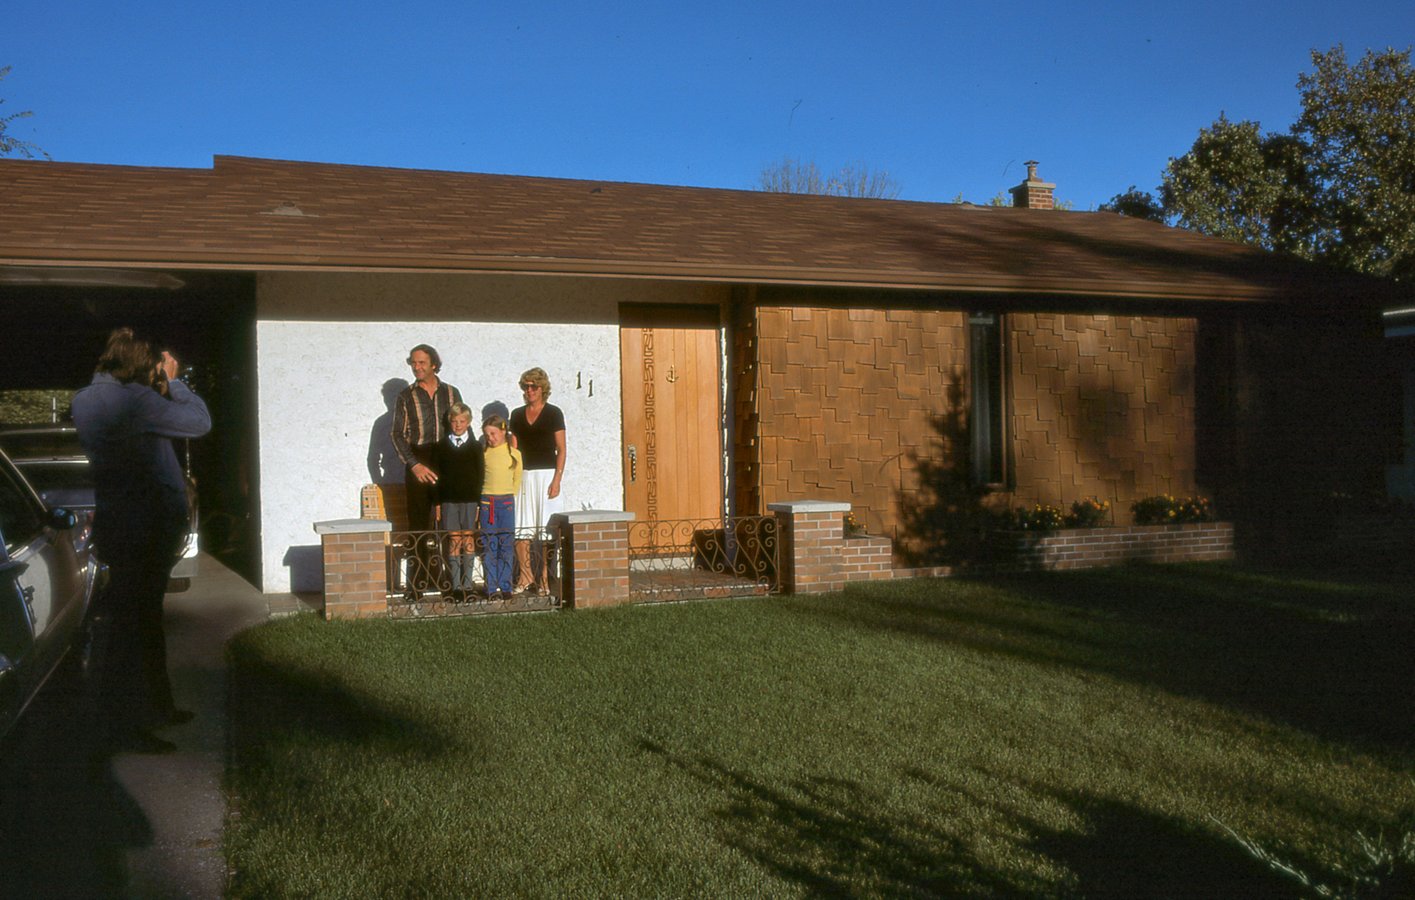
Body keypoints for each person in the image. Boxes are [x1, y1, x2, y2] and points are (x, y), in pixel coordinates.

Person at [71, 328, 211, 755]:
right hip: (147, 525)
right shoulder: (136, 400)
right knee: (136, 626)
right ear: (140, 363)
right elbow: (199, 423)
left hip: (119, 523)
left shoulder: (84, 399)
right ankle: (130, 725)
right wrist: (174, 382)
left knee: (138, 621)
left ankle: (157, 706)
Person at [390, 344, 461, 595]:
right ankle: (416, 585)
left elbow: (461, 425)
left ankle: (451, 584)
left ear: (434, 365)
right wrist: (414, 465)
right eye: (413, 363)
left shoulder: (451, 393)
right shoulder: (405, 396)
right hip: (418, 459)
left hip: (445, 459)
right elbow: (397, 435)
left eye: (421, 363)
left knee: (449, 522)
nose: (416, 367)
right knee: (418, 524)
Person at [508, 367, 566, 595]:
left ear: (543, 389)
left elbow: (561, 449)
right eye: (526, 386)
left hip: (547, 476)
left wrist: (557, 479)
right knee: (521, 528)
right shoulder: (516, 415)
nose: (529, 390)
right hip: (523, 476)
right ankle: (525, 577)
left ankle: (544, 578)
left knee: (545, 530)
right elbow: (513, 450)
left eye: (534, 386)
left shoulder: (554, 413)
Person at [432, 403, 484, 601]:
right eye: (454, 421)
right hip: (449, 500)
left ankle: (468, 585)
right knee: (454, 539)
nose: (458, 425)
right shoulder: (441, 446)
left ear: (468, 422)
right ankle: (455, 586)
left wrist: (479, 503)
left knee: (468, 538)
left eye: (462, 421)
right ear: (449, 422)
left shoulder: (475, 447)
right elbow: (436, 476)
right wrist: (438, 502)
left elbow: (480, 475)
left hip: (470, 500)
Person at [479, 415, 522, 601]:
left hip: (506, 504)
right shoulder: (484, 454)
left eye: (494, 433)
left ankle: (506, 586)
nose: (491, 438)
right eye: (487, 435)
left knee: (506, 545)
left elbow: (517, 479)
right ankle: (491, 587)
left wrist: (509, 496)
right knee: (490, 545)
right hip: (487, 504)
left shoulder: (514, 454)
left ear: (503, 431)